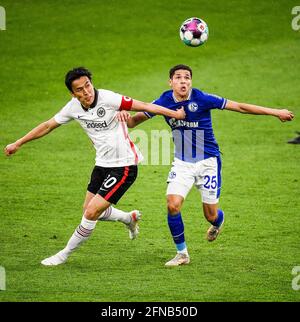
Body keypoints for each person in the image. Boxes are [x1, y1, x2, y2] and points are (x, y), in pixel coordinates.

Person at [4, 67, 185, 266]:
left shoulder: (109, 98)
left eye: (88, 86)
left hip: (124, 166)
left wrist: (175, 114)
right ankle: (128, 218)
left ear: (92, 83)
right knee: (88, 210)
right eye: (79, 90)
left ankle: (63, 254)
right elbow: (48, 125)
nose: (86, 92)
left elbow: (144, 106)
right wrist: (19, 142)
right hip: (101, 164)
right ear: (73, 94)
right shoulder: (73, 107)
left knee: (91, 213)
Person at [126, 64, 294, 267]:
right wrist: (122, 117)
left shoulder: (202, 98)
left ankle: (218, 222)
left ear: (191, 82)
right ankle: (182, 254)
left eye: (187, 77)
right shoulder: (163, 101)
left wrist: (275, 112)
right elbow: (134, 121)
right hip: (183, 163)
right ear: (170, 82)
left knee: (211, 215)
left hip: (208, 163)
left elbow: (240, 107)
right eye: (178, 77)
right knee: (172, 205)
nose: (183, 81)